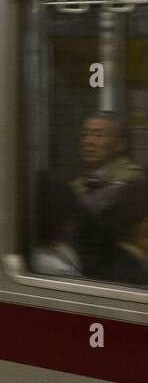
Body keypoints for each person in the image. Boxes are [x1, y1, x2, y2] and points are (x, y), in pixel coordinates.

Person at [70, 112, 143, 277]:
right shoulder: (80, 182)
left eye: (98, 135)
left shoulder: (130, 181)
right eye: (86, 134)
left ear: (120, 144)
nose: (89, 142)